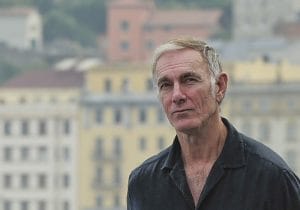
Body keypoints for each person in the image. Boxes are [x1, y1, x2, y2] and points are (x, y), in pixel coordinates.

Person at [127, 37, 300, 210]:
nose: (177, 95)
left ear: (219, 86)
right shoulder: (143, 183)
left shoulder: (272, 178)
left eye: (189, 80)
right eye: (166, 85)